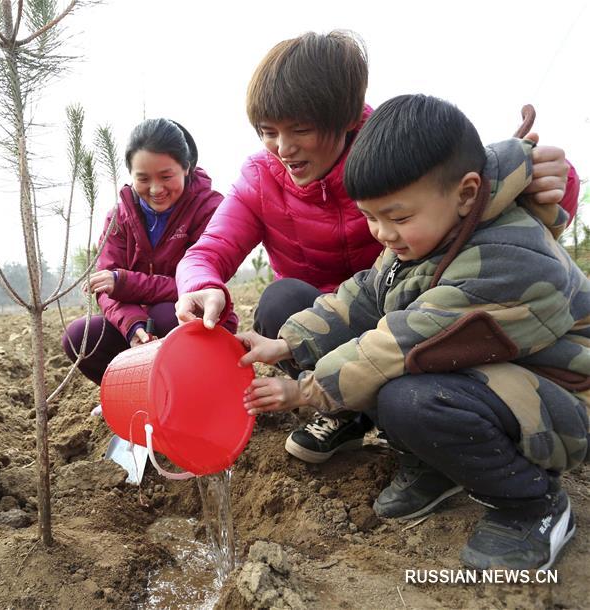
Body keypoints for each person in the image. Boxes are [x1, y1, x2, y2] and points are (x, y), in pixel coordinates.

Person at [174, 31, 579, 464]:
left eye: (301, 130)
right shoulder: (261, 177)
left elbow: (488, 193)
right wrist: (204, 286)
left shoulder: (400, 159)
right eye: (268, 132)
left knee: (412, 389)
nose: (283, 149)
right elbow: (211, 248)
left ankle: (473, 467)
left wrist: (557, 181)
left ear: (346, 119)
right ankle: (349, 415)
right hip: (352, 317)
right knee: (282, 301)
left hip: (422, 315)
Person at [237, 94, 588, 570]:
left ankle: (534, 506)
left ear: (466, 193)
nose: (382, 233)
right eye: (371, 217)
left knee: (409, 394)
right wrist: (288, 341)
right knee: (396, 383)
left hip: (563, 398)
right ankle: (437, 465)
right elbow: (363, 294)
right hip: (495, 377)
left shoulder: (509, 259)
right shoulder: (435, 233)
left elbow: (398, 344)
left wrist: (302, 390)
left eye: (398, 218)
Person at [62, 118, 235, 384]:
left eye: (166, 177)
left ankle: (194, 394)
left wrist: (123, 282)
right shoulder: (118, 219)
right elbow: (105, 288)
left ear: (186, 167)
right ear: (131, 175)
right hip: (138, 323)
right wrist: (133, 325)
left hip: (197, 321)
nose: (156, 189)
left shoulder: (209, 209)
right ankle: (134, 395)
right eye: (143, 179)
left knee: (167, 315)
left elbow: (194, 287)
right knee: (81, 337)